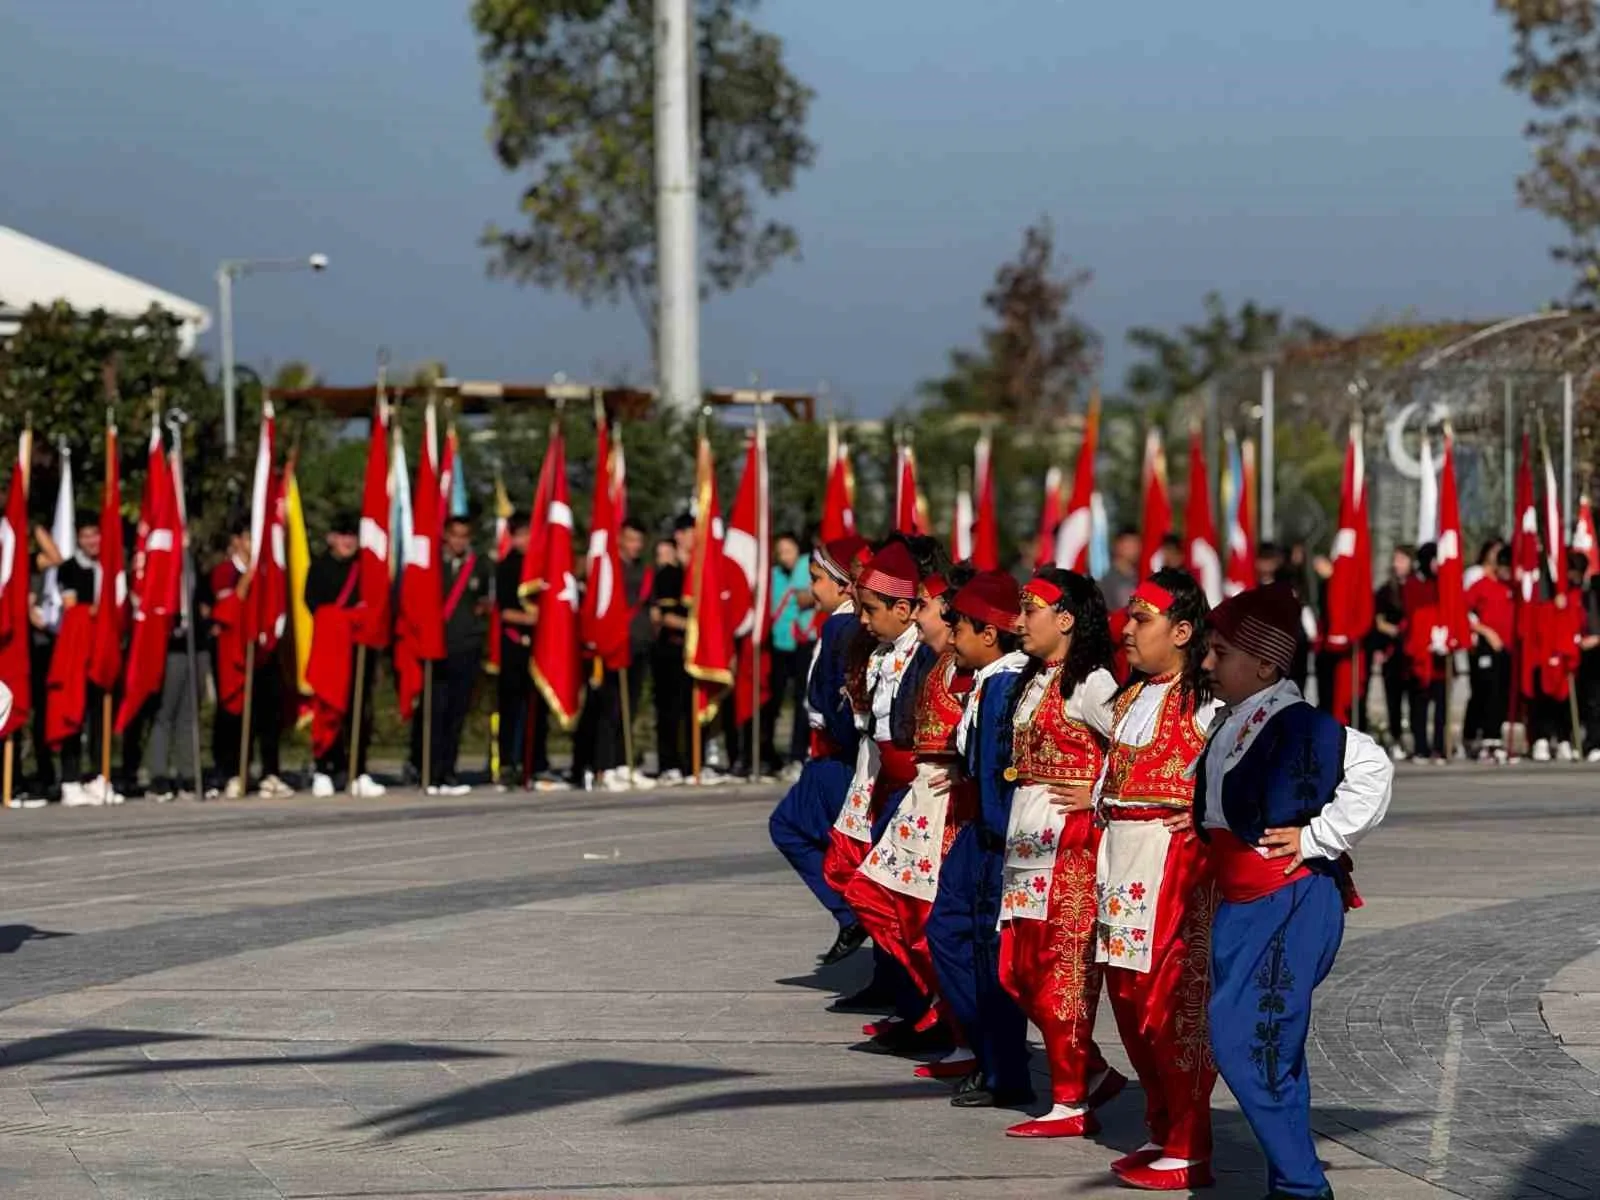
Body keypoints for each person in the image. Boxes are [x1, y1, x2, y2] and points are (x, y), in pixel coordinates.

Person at [1198, 582, 1392, 1200]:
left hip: (1290, 899)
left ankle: (1307, 1189)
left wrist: (1318, 836)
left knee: (1243, 1039)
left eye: (1220, 652)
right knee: (1271, 1044)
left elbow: (1374, 768)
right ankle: (1290, 1182)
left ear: (1264, 663)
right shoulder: (1236, 719)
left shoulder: (1300, 724)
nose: (1207, 663)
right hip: (1245, 905)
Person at [1092, 568, 1219, 1190]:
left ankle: (1191, 1142)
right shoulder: (1127, 695)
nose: (1128, 629)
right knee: (1126, 997)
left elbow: (1241, 771)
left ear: (1184, 630)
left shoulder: (1208, 703)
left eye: (1142, 620)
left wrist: (1204, 812)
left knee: (1168, 1004)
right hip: (1119, 857)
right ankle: (1161, 1124)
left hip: (1171, 867)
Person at [996, 567, 1125, 1139]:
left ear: (1066, 619)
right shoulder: (1036, 679)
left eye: (1032, 610)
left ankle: (1071, 1101)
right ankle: (1091, 1071)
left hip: (1069, 846)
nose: (1019, 622)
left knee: (1061, 970)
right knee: (1015, 970)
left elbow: (1136, 746)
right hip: (1027, 843)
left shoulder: (1091, 683)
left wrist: (1096, 788)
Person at [845, 564, 977, 1071]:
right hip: (917, 801)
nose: (918, 616)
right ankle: (933, 1007)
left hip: (945, 812)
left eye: (926, 607)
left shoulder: (982, 674)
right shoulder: (938, 663)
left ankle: (951, 1021)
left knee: (933, 923)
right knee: (877, 897)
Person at [924, 569, 1033, 1111]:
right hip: (982, 832)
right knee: (947, 931)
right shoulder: (989, 682)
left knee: (993, 955)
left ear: (989, 633)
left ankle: (1006, 1067)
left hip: (998, 838)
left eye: (959, 626)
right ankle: (993, 1053)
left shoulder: (1006, 685)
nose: (951, 636)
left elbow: (1002, 770)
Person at [768, 535, 871, 963]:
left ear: (845, 584)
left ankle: (852, 913)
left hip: (835, 758)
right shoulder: (847, 624)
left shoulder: (839, 627)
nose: (814, 589)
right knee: (864, 857)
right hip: (841, 757)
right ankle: (884, 969)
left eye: (818, 579)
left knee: (788, 827)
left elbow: (835, 701)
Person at [210, 518, 291, 800]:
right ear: (236, 541)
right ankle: (234, 772)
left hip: (263, 651)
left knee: (268, 715)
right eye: (247, 538)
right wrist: (252, 574)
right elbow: (229, 606)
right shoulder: (224, 572)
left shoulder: (268, 572)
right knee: (234, 715)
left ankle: (271, 772)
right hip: (234, 655)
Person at [304, 513, 384, 798]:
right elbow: (314, 605)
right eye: (341, 535)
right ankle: (325, 767)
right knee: (328, 711)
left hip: (360, 649)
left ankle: (357, 770)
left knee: (360, 711)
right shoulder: (320, 569)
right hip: (332, 652)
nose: (347, 541)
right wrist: (346, 618)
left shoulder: (365, 568)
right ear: (331, 539)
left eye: (351, 536)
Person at [411, 515, 491, 793]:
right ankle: (426, 769)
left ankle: (448, 771)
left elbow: (484, 603)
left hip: (466, 647)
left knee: (457, 712)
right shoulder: (432, 565)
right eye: (454, 535)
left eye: (464, 536)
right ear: (445, 536)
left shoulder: (479, 566)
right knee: (434, 710)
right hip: (436, 647)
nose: (459, 541)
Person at [649, 516, 694, 784]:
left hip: (690, 654)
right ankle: (669, 764)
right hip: (669, 650)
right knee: (669, 711)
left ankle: (691, 763)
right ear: (679, 536)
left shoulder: (696, 573)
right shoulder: (669, 573)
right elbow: (664, 616)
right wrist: (695, 628)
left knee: (690, 710)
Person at [767, 531, 815, 771]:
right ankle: (769, 755)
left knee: (801, 699)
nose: (784, 556)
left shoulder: (807, 566)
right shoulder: (774, 575)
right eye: (780, 552)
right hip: (779, 643)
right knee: (773, 699)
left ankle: (798, 753)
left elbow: (810, 597)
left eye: (788, 550)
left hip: (804, 641)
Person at [495, 515, 537, 788]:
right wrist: (530, 619)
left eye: (529, 534)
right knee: (510, 706)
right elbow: (503, 610)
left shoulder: (541, 564)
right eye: (520, 535)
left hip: (538, 647)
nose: (525, 540)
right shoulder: (506, 567)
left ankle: (532, 762)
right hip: (512, 645)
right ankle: (508, 762)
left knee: (535, 708)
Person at [1465, 545, 1514, 761]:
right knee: (1485, 691)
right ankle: (1479, 737)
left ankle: (1495, 738)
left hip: (1507, 648)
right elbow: (1462, 612)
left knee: (1502, 692)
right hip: (1485, 647)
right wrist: (1487, 632)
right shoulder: (1480, 586)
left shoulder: (1511, 588)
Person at [1401, 543, 1447, 763]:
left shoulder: (1444, 585)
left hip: (1440, 654)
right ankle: (1421, 746)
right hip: (1420, 653)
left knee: (1441, 705)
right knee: (1419, 704)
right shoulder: (1412, 586)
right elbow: (1413, 616)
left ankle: (1440, 745)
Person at [1369, 546, 1413, 756]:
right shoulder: (1386, 591)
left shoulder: (1417, 588)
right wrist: (1393, 631)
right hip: (1392, 650)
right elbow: (1378, 622)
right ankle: (1395, 737)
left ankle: (1415, 738)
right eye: (1395, 560)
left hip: (1413, 651)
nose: (1397, 564)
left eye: (1402, 559)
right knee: (1393, 697)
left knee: (1414, 698)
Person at [1098, 530, 1141, 613]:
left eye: (1136, 545)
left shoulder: (1141, 577)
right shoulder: (1105, 578)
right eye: (1129, 545)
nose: (1134, 550)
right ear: (1117, 546)